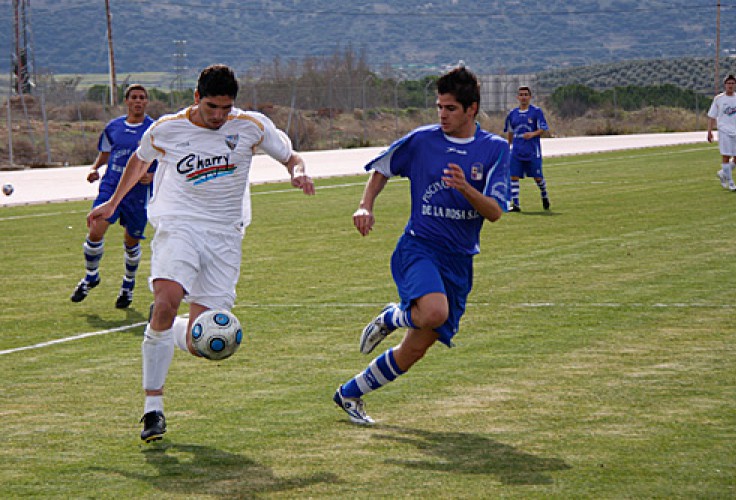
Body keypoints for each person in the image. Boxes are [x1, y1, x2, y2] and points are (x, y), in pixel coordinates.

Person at [87, 64, 315, 442]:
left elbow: (292, 157)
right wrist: (112, 203)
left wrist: (297, 173)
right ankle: (152, 410)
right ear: (196, 98)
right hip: (180, 225)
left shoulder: (250, 126)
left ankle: (168, 331)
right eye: (212, 107)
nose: (219, 116)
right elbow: (140, 160)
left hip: (226, 236)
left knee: (202, 344)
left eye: (226, 108)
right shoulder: (169, 129)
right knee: (166, 302)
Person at [333, 66, 511, 425]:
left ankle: (350, 394)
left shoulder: (494, 150)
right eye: (439, 107)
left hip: (459, 262)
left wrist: (466, 189)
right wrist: (365, 204)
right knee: (433, 312)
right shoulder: (423, 140)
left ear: (471, 109)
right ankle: (392, 316)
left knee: (416, 348)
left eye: (450, 108)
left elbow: (494, 212)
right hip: (419, 248)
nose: (442, 115)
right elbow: (382, 167)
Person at [71, 84, 157, 308]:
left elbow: (164, 157)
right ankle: (91, 276)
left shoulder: (154, 129)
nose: (138, 101)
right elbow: (106, 152)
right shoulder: (114, 127)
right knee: (95, 228)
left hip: (137, 194)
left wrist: (152, 174)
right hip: (110, 187)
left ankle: (128, 285)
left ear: (146, 102)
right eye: (134, 97)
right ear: (126, 101)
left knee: (131, 241)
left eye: (142, 97)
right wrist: (95, 168)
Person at [503, 86, 550, 212]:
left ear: (530, 97)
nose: (523, 97)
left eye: (525, 94)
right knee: (513, 175)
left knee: (538, 178)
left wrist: (532, 134)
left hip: (532, 151)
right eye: (521, 95)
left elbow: (543, 128)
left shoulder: (536, 112)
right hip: (517, 150)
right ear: (517, 97)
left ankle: (544, 193)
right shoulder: (512, 114)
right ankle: (516, 204)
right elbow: (510, 131)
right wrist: (508, 147)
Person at [707, 74, 736, 191]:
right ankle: (730, 182)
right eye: (728, 83)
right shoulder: (719, 99)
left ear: (735, 85)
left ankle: (723, 173)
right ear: (725, 85)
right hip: (724, 131)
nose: (730, 85)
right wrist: (710, 131)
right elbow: (711, 116)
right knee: (726, 155)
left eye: (732, 83)